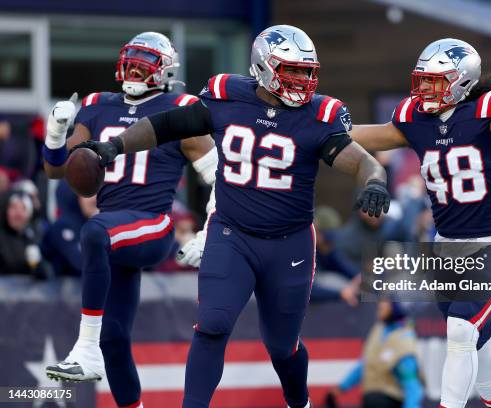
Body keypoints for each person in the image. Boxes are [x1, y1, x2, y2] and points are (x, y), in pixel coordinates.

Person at [74, 24, 390, 408]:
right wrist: (115, 146)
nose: (303, 80)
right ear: (264, 67)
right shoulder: (227, 95)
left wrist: (374, 180)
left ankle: (300, 403)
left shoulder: (320, 114)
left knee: (282, 347)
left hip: (289, 243)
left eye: (308, 71)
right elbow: (167, 126)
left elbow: (357, 159)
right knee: (212, 326)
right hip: (232, 234)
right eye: (292, 70)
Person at [350, 38, 491, 408]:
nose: (425, 89)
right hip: (445, 249)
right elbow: (372, 134)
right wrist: (315, 126)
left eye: (435, 81)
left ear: (461, 81)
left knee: (461, 328)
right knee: (477, 335)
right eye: (422, 80)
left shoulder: (488, 111)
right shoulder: (416, 119)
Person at [42, 32, 217, 408]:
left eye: (145, 63)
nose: (135, 70)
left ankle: (84, 349)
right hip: (117, 231)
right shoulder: (96, 105)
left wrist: (210, 230)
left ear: (165, 70)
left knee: (94, 232)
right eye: (131, 62)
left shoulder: (181, 107)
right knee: (116, 339)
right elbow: (57, 170)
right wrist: (56, 133)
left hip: (152, 225)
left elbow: (222, 180)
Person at [325, 300, 424, 408]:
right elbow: (365, 364)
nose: (380, 304)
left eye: (386, 301)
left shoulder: (403, 339)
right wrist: (342, 387)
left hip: (389, 400)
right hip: (370, 398)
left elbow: (411, 384)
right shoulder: (379, 329)